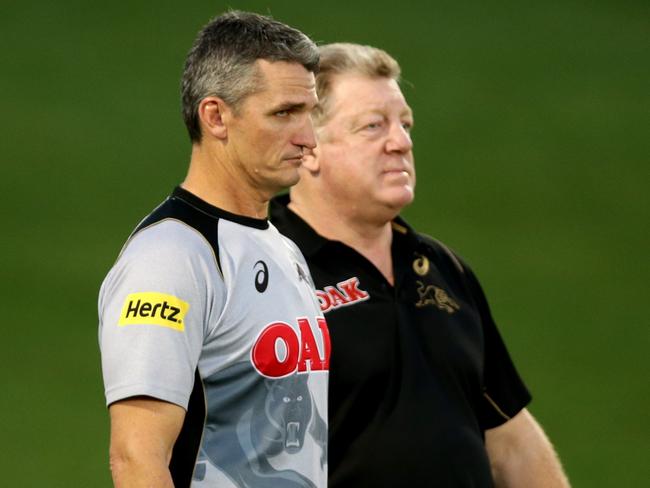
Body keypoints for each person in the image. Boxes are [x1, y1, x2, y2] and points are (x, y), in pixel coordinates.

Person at [271, 43, 570, 487]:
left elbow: (511, 441)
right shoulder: (262, 270)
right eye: (373, 126)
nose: (401, 142)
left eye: (405, 124)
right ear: (309, 148)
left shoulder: (444, 270)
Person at [98, 11, 330, 488]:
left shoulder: (285, 250)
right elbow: (136, 459)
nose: (308, 137)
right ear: (216, 116)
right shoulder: (171, 260)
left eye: (311, 113)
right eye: (284, 113)